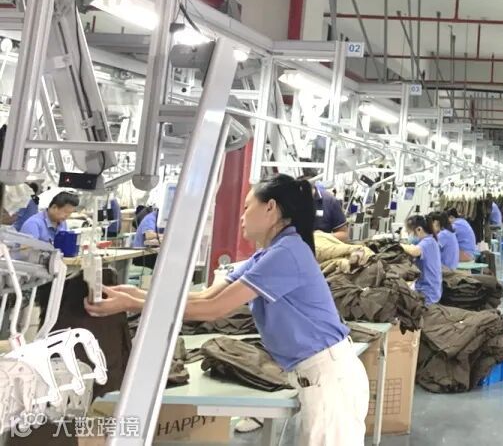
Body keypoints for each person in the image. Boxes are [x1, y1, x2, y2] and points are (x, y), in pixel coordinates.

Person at [86, 173, 368, 445]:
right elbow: (205, 296)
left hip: (329, 380)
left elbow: (212, 309)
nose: (242, 216)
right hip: (316, 377)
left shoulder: (286, 253)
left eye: (247, 207)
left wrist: (134, 303)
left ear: (270, 208)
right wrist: (135, 293)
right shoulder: (267, 253)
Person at [402, 215, 443, 304]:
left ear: (419, 230)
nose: (409, 236)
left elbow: (414, 251)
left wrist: (399, 245)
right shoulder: (431, 240)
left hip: (427, 293)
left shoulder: (428, 242)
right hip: (430, 289)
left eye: (409, 233)